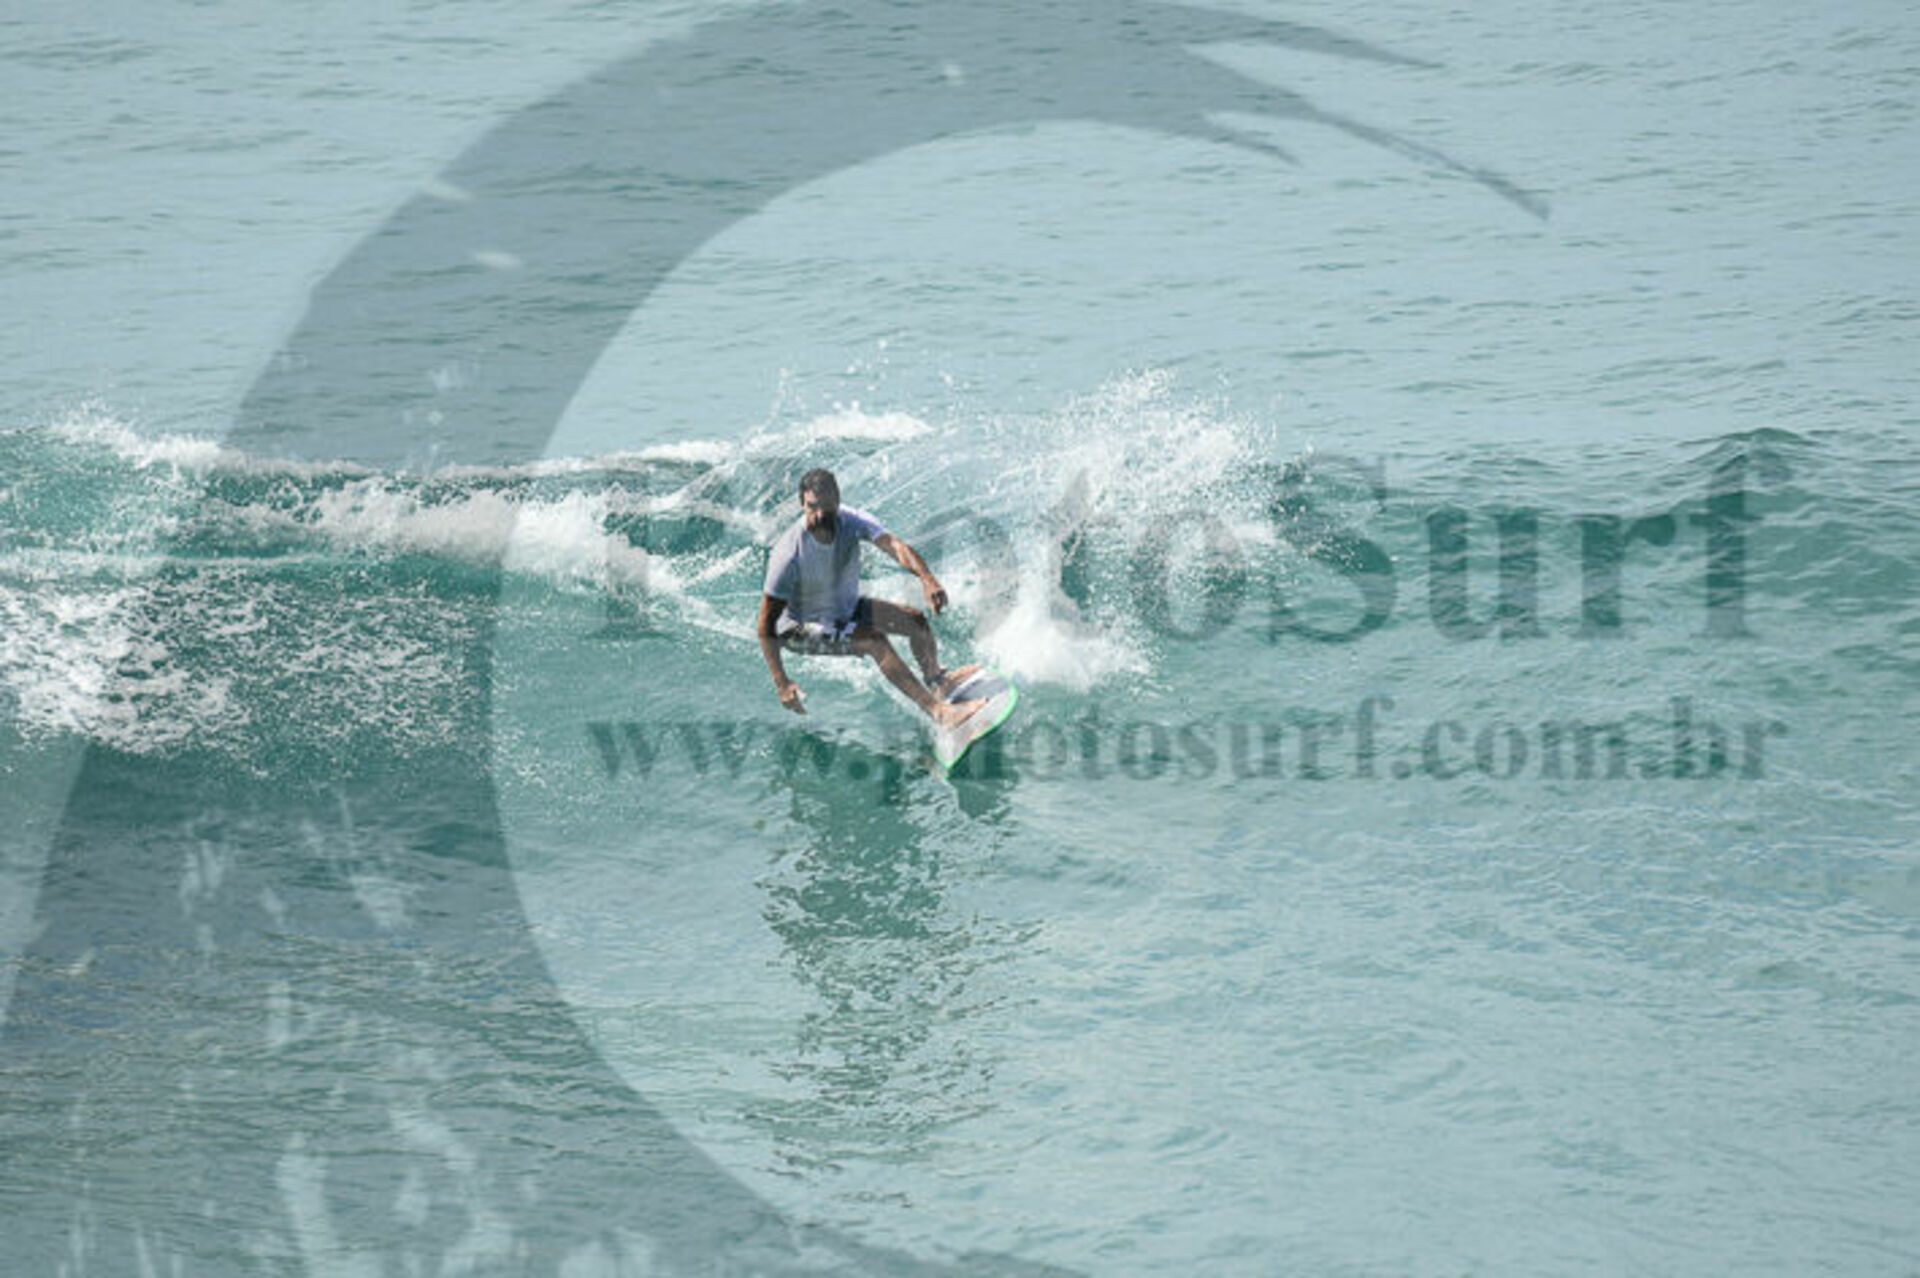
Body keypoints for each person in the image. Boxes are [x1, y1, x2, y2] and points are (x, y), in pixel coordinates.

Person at [759, 468, 984, 728]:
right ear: (802, 504)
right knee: (874, 640)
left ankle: (937, 682)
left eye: (826, 507)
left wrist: (927, 578)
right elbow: (766, 625)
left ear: (837, 501)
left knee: (916, 621)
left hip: (842, 606)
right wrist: (782, 683)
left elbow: (894, 545)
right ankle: (938, 712)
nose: (820, 515)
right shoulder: (789, 554)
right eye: (812, 507)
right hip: (799, 627)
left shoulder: (852, 521)